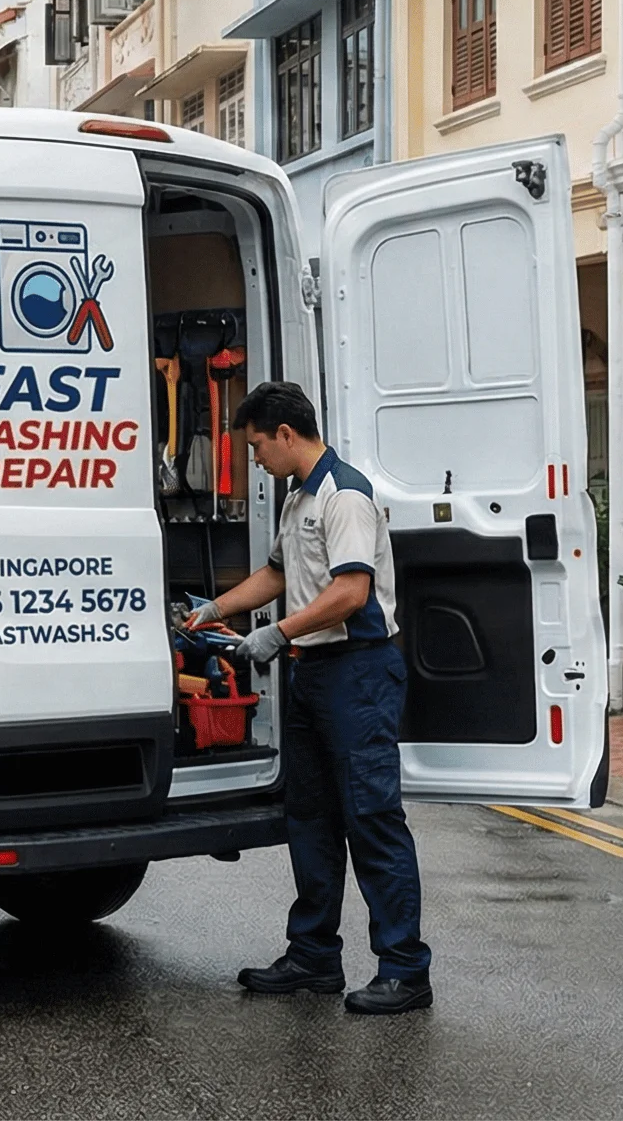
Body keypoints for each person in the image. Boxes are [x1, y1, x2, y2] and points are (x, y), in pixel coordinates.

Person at [184, 380, 431, 1016]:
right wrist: (218, 609)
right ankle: (314, 956)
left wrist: (278, 631)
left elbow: (352, 591)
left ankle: (405, 969)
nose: (255, 458)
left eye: (258, 445)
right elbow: (277, 574)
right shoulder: (298, 497)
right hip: (314, 675)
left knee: (372, 819)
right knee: (311, 818)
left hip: (359, 672)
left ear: (287, 434)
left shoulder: (343, 494)